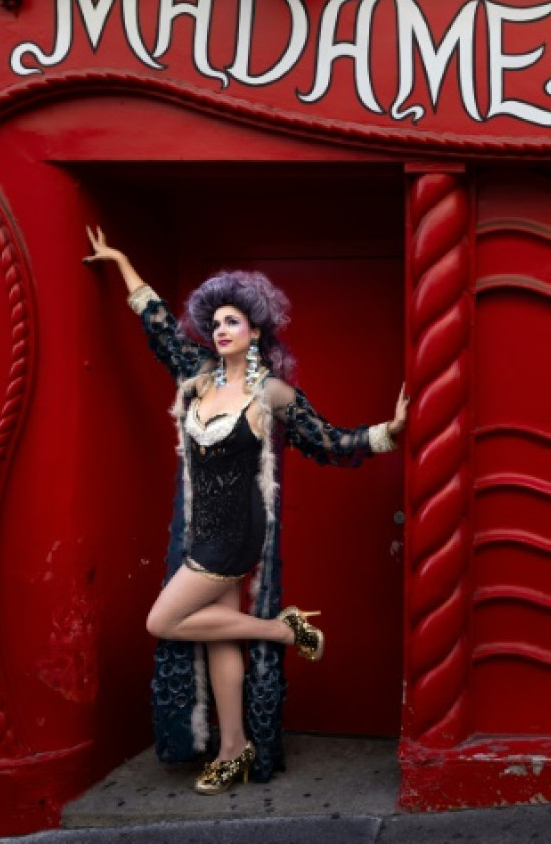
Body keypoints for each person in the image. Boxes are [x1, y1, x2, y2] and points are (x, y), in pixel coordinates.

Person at [83, 226, 407, 795]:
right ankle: (234, 750)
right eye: (215, 322)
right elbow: (157, 324)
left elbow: (324, 440)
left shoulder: (272, 394)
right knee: (217, 640)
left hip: (233, 534)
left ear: (256, 330)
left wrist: (389, 433)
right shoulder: (199, 378)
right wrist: (123, 264)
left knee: (162, 622)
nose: (221, 329)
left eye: (233, 320)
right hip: (200, 528)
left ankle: (283, 631)